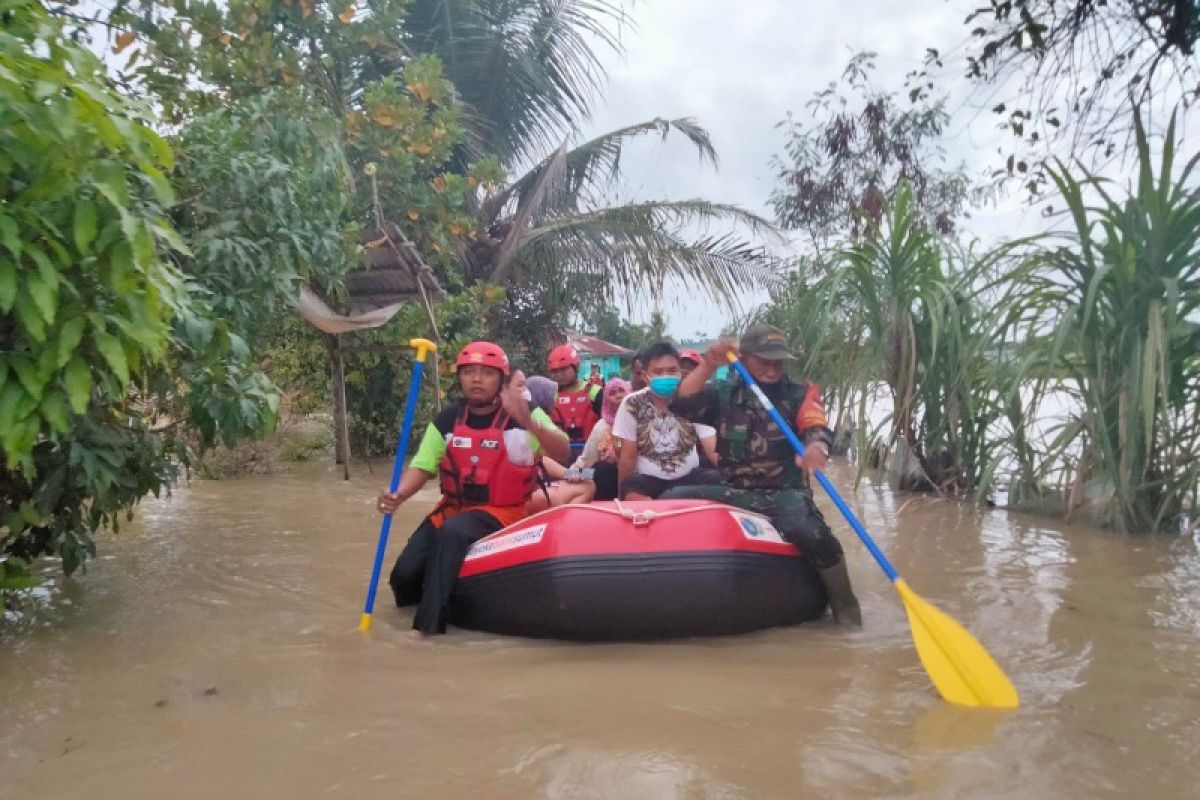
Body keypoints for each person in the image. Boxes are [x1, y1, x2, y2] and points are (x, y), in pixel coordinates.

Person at [662, 325, 862, 625]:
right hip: (734, 490)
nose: (772, 369)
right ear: (743, 359)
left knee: (808, 531)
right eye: (764, 361)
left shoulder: (800, 393)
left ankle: (847, 610)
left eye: (778, 362)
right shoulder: (724, 393)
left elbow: (816, 427)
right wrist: (707, 364)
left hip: (783, 492)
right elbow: (681, 404)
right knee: (671, 499)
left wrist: (816, 448)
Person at [376, 341, 571, 637]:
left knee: (454, 531)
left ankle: (425, 629)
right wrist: (397, 496)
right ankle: (437, 603)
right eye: (469, 372)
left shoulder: (523, 415)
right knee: (403, 576)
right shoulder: (447, 420)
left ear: (501, 380)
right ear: (460, 378)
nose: (476, 379)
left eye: (486, 373)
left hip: (504, 511)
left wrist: (528, 421)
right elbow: (423, 466)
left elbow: (563, 453)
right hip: (455, 507)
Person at [613, 342, 721, 500]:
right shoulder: (632, 403)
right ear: (645, 375)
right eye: (658, 372)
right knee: (631, 489)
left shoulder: (695, 399)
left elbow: (712, 448)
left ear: (680, 373)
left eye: (672, 371)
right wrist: (623, 496)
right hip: (648, 480)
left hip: (689, 478)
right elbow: (627, 457)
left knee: (717, 480)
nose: (666, 376)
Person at [547, 344, 604, 448]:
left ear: (576, 366)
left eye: (563, 369)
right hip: (561, 456)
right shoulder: (550, 396)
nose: (559, 375)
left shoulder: (595, 393)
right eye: (554, 371)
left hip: (592, 454)